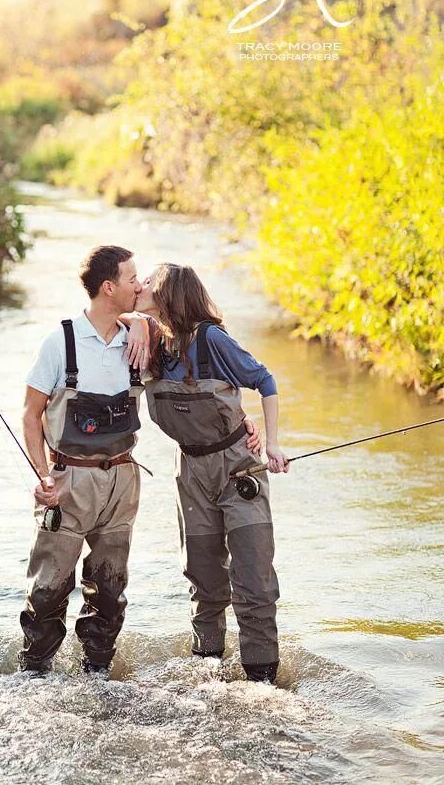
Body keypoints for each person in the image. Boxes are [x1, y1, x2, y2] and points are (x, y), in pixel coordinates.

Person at [134, 262, 289, 684]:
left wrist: (271, 442)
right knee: (203, 579)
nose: (140, 285)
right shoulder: (150, 342)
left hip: (239, 466)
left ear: (168, 294)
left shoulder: (212, 338)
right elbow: (105, 315)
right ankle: (209, 675)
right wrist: (135, 322)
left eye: (148, 281)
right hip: (190, 471)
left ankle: (262, 681)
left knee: (253, 579)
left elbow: (265, 381)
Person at [18, 245, 150, 674]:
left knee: (110, 588)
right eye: (132, 278)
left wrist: (144, 322)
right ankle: (34, 675)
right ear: (109, 287)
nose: (139, 284)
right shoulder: (61, 341)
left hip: (123, 480)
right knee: (49, 590)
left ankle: (97, 675)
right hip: (68, 482)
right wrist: (42, 476)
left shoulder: (139, 338)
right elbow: (31, 414)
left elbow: (186, 338)